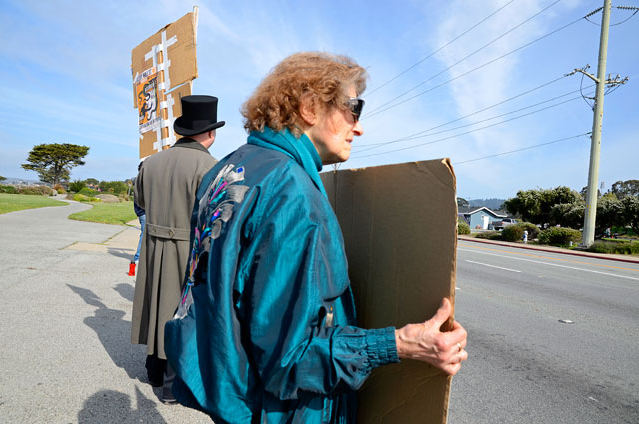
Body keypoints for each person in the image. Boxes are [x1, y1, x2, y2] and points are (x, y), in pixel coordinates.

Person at [165, 53, 467, 422]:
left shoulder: (230, 167)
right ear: (309, 106)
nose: (359, 127)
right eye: (354, 109)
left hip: (229, 388)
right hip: (274, 409)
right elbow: (290, 361)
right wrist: (399, 344)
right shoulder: (290, 193)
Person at [131, 95, 224, 403]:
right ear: (210, 133)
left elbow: (141, 203)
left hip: (154, 245)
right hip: (188, 248)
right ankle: (172, 386)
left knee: (156, 304)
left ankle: (153, 370)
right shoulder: (212, 166)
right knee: (180, 312)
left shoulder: (151, 163)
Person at [128, 164, 146, 277]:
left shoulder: (140, 180)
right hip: (144, 212)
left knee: (145, 235)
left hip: (144, 212)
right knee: (144, 234)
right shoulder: (140, 181)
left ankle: (139, 258)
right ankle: (137, 258)